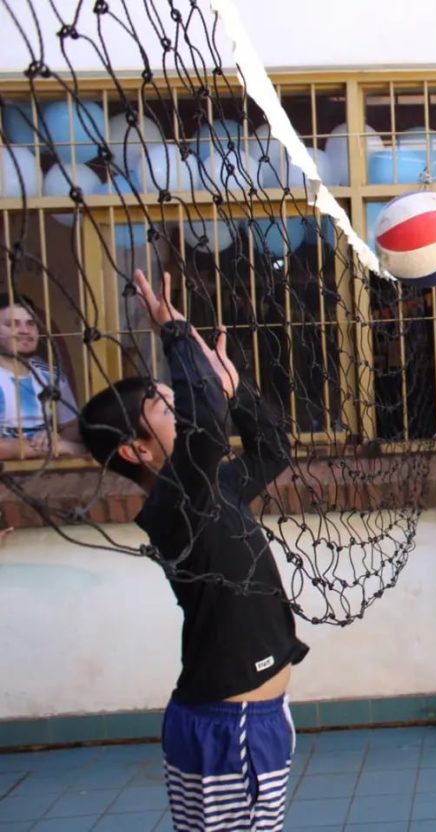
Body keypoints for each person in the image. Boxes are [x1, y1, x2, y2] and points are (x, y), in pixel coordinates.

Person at [79, 269, 307, 832]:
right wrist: (178, 336)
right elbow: (205, 421)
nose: (179, 407)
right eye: (165, 406)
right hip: (227, 726)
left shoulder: (213, 487)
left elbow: (273, 446)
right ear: (136, 450)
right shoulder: (174, 509)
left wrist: (234, 385)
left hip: (254, 717)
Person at [0, 292, 86, 459]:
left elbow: (73, 426)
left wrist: (56, 438)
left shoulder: (49, 374)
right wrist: (66, 448)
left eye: (31, 323)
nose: (25, 331)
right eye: (12, 324)